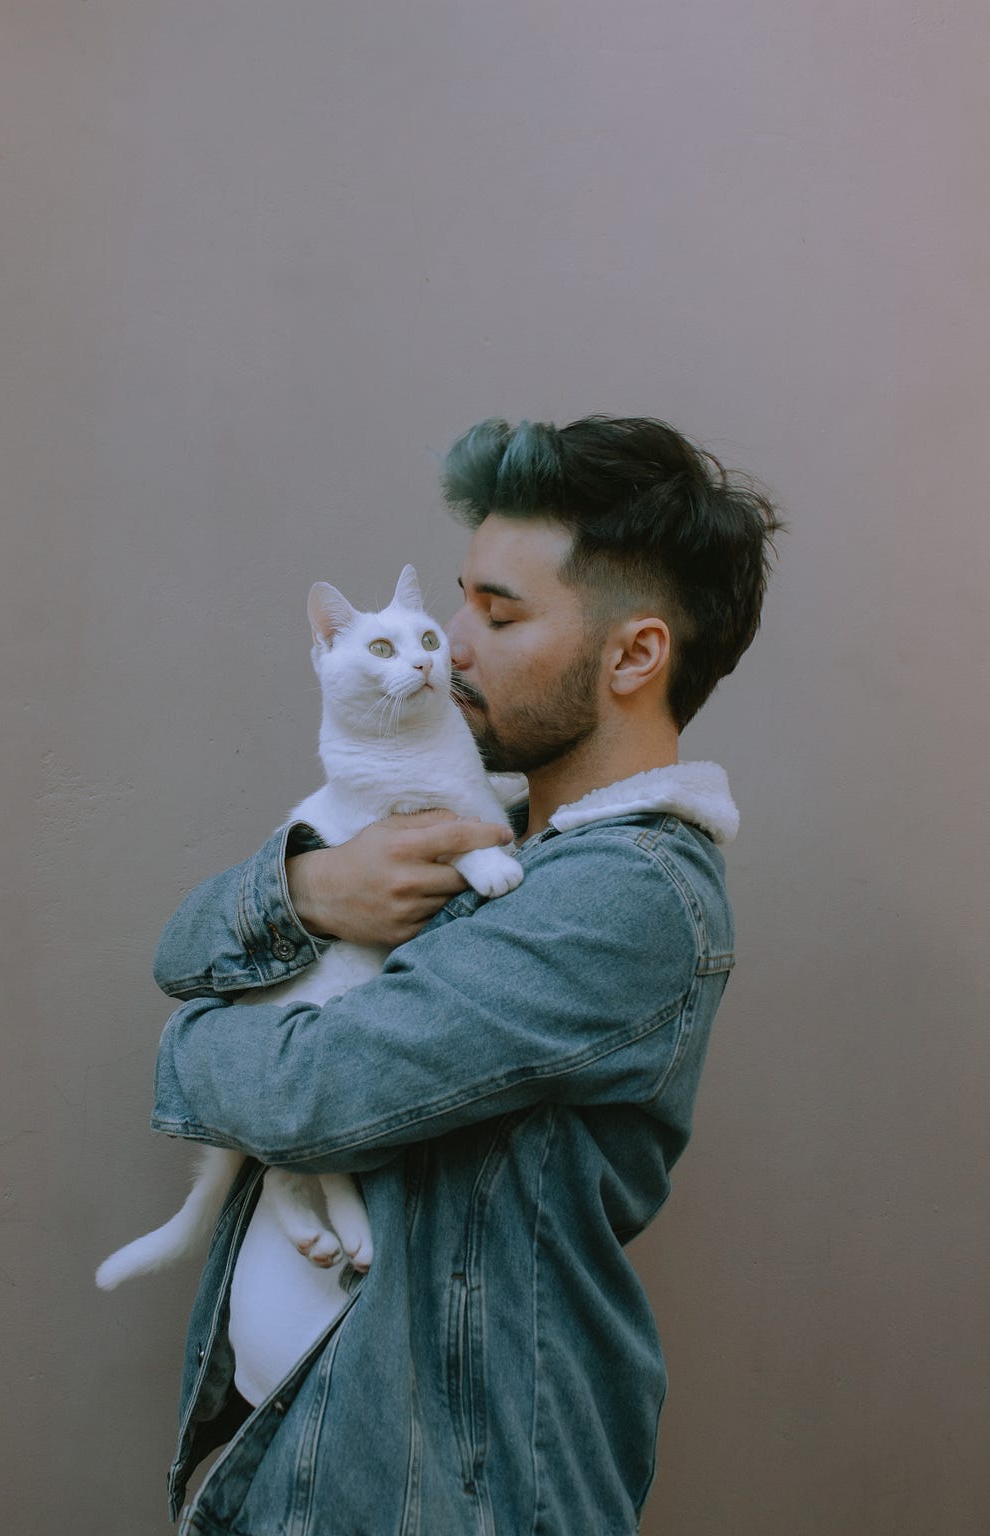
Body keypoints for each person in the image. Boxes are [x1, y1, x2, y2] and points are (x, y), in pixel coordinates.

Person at [150, 416, 782, 1535]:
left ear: (635, 655)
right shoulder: (481, 840)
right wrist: (305, 893)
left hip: (447, 1495)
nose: (450, 646)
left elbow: (310, 1097)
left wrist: (187, 1045)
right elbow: (180, 949)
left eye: (497, 613)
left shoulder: (623, 894)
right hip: (312, 1453)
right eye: (457, 600)